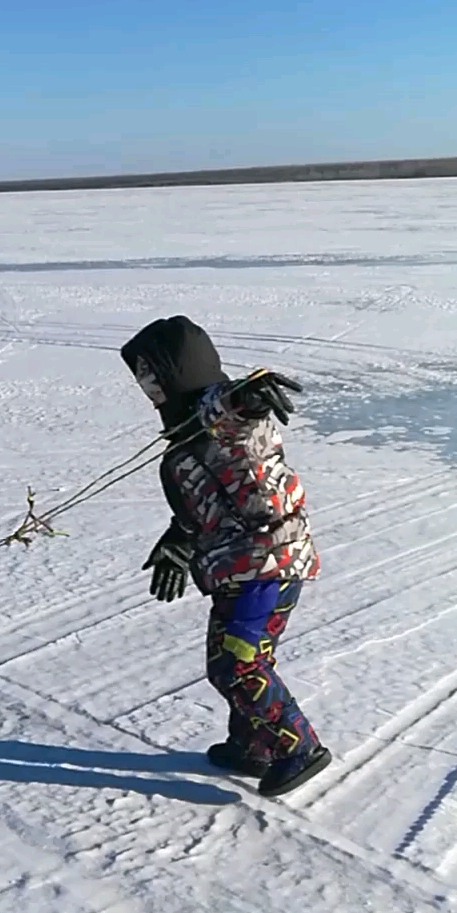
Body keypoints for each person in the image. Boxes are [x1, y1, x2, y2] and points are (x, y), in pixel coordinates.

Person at [120, 315, 330, 798]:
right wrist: (179, 542)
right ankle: (253, 745)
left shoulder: (222, 419)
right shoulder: (188, 431)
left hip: (267, 563)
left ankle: (299, 747)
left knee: (238, 665)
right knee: (233, 659)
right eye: (140, 375)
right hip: (242, 567)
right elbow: (210, 502)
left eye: (151, 372)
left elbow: (234, 411)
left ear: (177, 370)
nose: (146, 384)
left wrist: (249, 395)